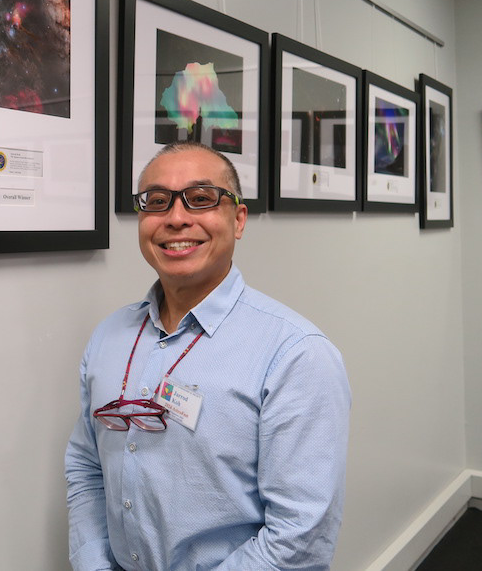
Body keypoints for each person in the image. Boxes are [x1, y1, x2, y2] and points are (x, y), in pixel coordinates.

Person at [64, 142, 351, 571]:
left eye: (201, 199)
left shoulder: (295, 354)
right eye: (157, 202)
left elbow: (300, 536)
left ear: (237, 220)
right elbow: (86, 468)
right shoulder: (109, 338)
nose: (176, 218)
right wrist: (93, 562)